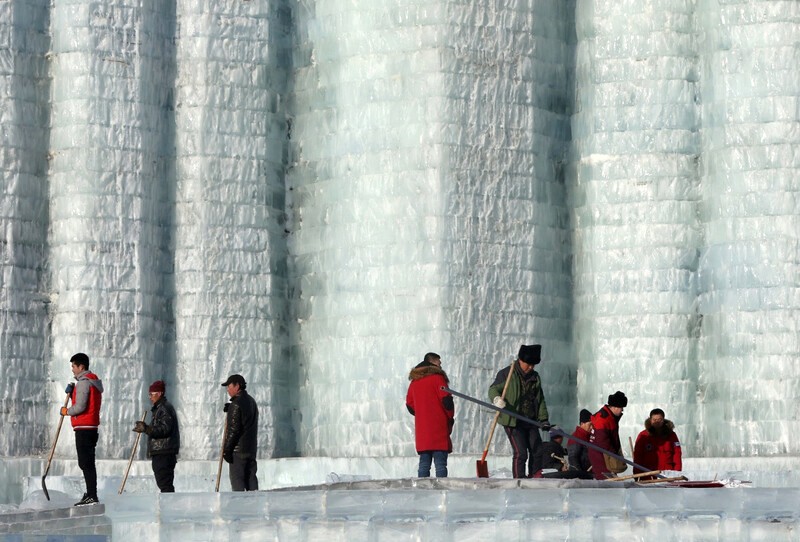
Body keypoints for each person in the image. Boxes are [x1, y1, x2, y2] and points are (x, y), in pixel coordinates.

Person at [488, 344, 550, 478]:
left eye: (533, 365)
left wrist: (543, 419)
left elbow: (540, 399)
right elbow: (493, 389)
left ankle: (535, 476)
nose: (531, 367)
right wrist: (497, 399)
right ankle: (519, 480)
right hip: (512, 420)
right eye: (529, 364)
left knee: (537, 450)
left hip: (530, 419)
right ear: (520, 360)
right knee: (521, 452)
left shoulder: (535, 377)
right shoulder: (507, 373)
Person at [61, 352, 104, 506]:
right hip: (90, 427)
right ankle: (91, 493)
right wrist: (73, 394)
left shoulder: (84, 383)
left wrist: (66, 411)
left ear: (81, 366)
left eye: (74, 366)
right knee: (87, 462)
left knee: (86, 463)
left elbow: (80, 406)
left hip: (84, 428)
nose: (72, 369)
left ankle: (92, 495)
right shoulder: (91, 382)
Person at [405, 352, 455, 477]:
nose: (440, 364)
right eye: (439, 361)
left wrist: (422, 413)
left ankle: (422, 492)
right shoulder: (438, 378)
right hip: (438, 425)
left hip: (423, 428)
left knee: (424, 463)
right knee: (440, 464)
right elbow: (447, 401)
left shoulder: (415, 382)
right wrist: (450, 418)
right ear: (432, 362)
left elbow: (409, 404)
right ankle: (441, 491)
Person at [133, 380, 181, 492]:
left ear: (159, 393)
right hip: (162, 451)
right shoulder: (160, 408)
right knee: (164, 483)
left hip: (164, 452)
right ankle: (167, 506)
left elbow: (165, 429)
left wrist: (146, 428)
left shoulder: (164, 408)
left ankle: (168, 507)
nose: (150, 397)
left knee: (165, 484)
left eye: (151, 394)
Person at [221, 374, 259, 491]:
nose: (227, 389)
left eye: (229, 386)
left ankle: (240, 507)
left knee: (238, 482)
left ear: (237, 386)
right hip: (250, 449)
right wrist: (231, 407)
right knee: (250, 479)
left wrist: (227, 450)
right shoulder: (252, 401)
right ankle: (255, 504)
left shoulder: (236, 405)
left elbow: (234, 430)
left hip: (238, 451)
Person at [588, 391, 627, 480]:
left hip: (606, 453)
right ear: (615, 407)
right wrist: (614, 454)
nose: (622, 410)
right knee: (605, 480)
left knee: (610, 477)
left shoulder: (610, 417)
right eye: (621, 407)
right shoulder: (603, 419)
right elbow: (603, 441)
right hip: (601, 454)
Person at [633, 408, 682, 474]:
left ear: (663, 420)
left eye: (659, 419)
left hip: (667, 475)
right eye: (654, 420)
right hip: (648, 476)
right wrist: (637, 473)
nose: (657, 422)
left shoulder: (671, 435)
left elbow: (677, 454)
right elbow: (638, 456)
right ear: (650, 420)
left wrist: (677, 472)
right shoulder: (643, 436)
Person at [567, 409, 593, 475]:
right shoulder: (576, 437)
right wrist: (579, 474)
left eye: (593, 425)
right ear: (582, 423)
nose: (592, 428)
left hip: (589, 473)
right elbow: (573, 458)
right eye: (590, 425)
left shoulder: (589, 437)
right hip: (580, 475)